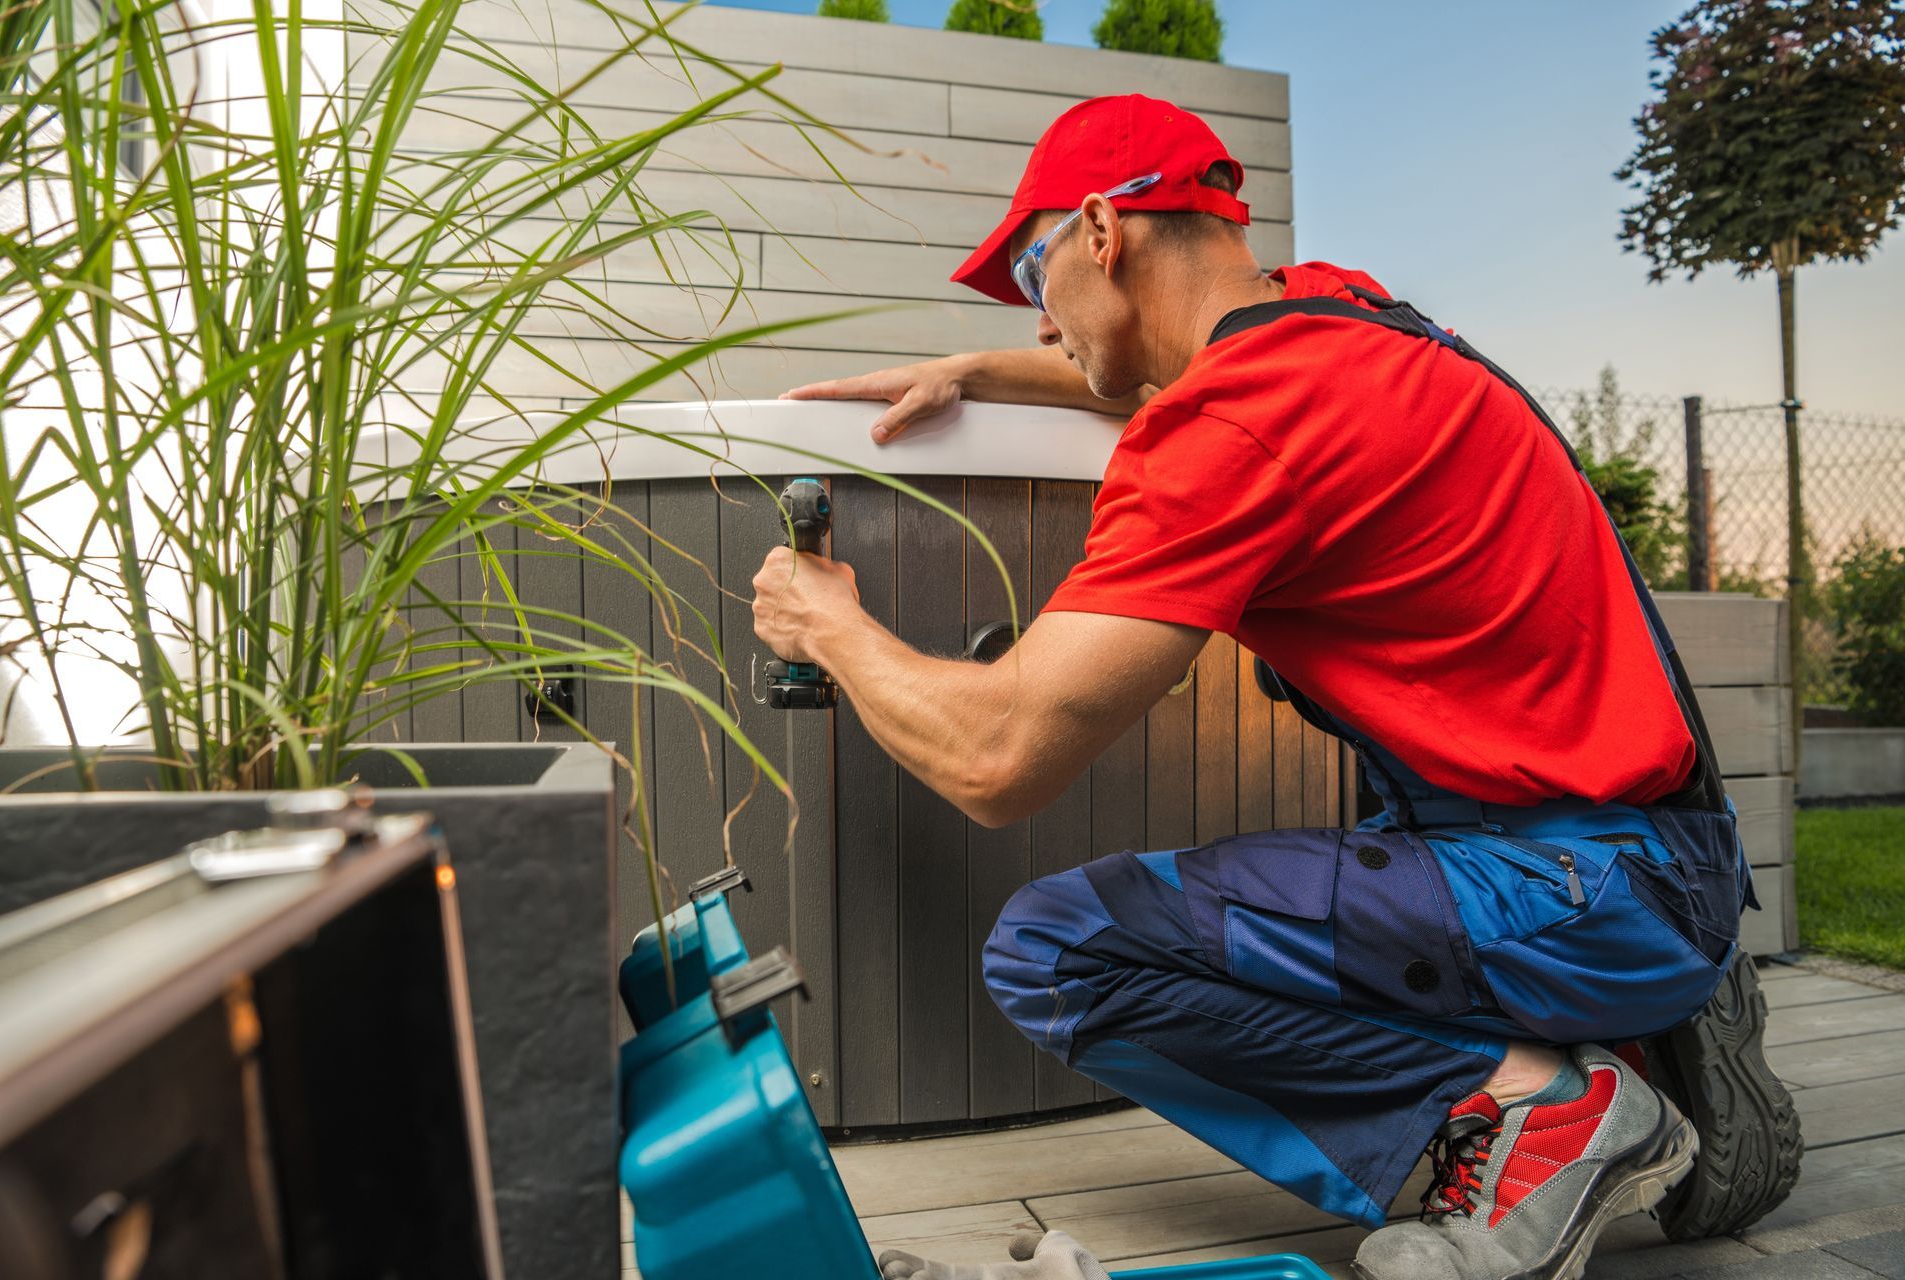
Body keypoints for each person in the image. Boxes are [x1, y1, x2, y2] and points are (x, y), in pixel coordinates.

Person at [750, 94, 1798, 1280]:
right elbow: (1147, 368)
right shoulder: (1345, 314)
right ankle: (1626, 1036)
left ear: (1103, 232)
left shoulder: (1236, 428)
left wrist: (828, 624)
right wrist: (968, 372)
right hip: (1662, 854)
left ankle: (1549, 1109)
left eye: (1035, 275)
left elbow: (999, 759)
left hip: (1566, 879)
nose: (1040, 326)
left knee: (1058, 950)